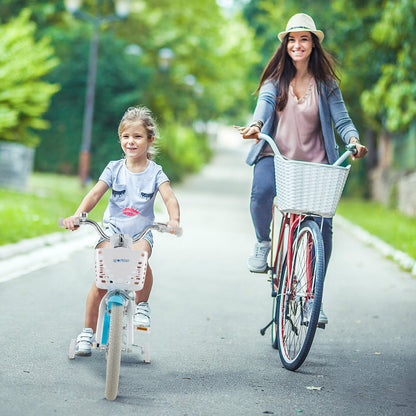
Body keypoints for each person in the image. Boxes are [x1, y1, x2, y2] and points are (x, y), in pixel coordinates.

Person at [235, 13, 367, 323]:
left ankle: (313, 296)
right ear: (286, 45)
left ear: (313, 45)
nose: (297, 44)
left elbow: (343, 121)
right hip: (276, 156)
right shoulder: (274, 81)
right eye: (292, 39)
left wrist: (354, 140)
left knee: (322, 228)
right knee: (262, 191)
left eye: (304, 39)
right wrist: (255, 125)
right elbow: (263, 107)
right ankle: (262, 243)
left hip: (315, 162)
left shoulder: (327, 84)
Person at [62, 106, 180, 356]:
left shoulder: (155, 172)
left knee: (140, 258)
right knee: (101, 282)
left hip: (140, 233)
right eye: (126, 136)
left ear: (150, 140)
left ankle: (142, 305)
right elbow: (95, 193)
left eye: (137, 136)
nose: (131, 141)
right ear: (120, 139)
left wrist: (174, 220)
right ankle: (87, 332)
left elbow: (169, 198)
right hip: (112, 231)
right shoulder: (114, 168)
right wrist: (78, 214)